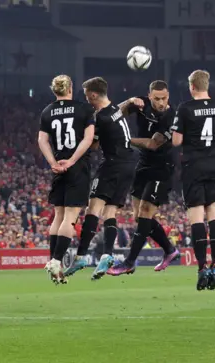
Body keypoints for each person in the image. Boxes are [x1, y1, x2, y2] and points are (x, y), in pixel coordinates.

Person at [62, 77, 137, 281]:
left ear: (94, 94)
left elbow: (92, 145)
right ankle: (107, 255)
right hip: (130, 163)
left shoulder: (100, 118)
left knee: (93, 209)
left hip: (113, 164)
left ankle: (81, 257)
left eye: (87, 95)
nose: (86, 99)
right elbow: (122, 109)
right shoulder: (114, 109)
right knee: (110, 211)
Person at [106, 80, 180, 276]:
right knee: (139, 218)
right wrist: (129, 101)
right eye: (157, 99)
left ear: (168, 96)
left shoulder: (172, 117)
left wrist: (125, 140)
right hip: (143, 165)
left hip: (163, 167)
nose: (161, 103)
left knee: (146, 212)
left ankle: (129, 261)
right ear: (150, 97)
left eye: (164, 98)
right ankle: (170, 250)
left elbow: (152, 143)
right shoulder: (141, 104)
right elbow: (116, 114)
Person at [172, 70, 215, 291]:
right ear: (207, 85)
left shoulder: (185, 108)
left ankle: (202, 267)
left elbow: (176, 141)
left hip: (193, 167)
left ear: (192, 87)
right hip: (214, 165)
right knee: (214, 214)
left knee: (197, 219)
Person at [38, 75, 95, 283]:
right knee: (70, 217)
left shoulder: (47, 111)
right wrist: (72, 160)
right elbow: (88, 139)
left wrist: (53, 161)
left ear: (55, 91)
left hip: (58, 166)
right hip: (76, 167)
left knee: (58, 216)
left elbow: (42, 140)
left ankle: (55, 264)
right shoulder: (83, 109)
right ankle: (56, 260)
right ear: (70, 88)